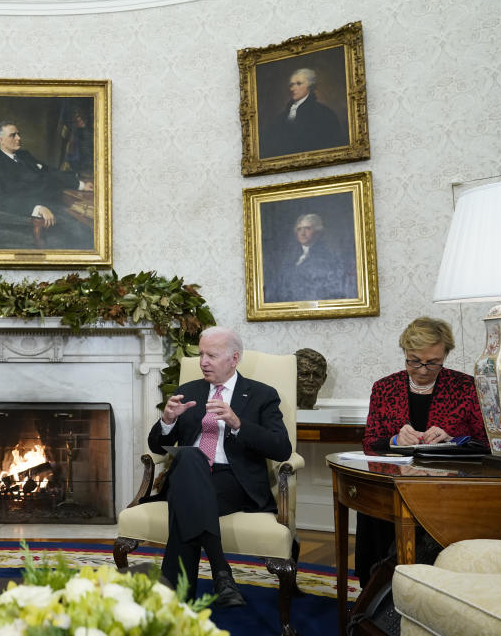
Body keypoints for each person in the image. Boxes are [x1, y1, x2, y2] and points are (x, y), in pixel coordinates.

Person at [147, 326, 292, 606]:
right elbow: (156, 446)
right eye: (201, 354)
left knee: (185, 498)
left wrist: (239, 424)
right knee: (189, 458)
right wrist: (167, 421)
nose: (202, 361)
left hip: (234, 480)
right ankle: (221, 572)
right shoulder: (187, 391)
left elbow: (281, 447)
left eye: (211, 355)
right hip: (191, 473)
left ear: (234, 358)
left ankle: (176, 603)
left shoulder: (262, 395)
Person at [356, 316, 489, 586]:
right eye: (414, 360)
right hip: (394, 480)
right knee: (373, 506)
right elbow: (370, 441)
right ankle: (378, 583)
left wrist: (455, 438)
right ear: (405, 353)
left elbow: (487, 441)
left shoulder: (466, 387)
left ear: (445, 355)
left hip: (447, 485)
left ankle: (434, 582)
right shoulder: (384, 387)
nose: (423, 369)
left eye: (433, 362)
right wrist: (394, 440)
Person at [0, 121, 94, 249]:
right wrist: (36, 208)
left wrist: (80, 185)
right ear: (1, 140)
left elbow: (49, 172)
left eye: (18, 134)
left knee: (89, 221)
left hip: (54, 202)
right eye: (13, 135)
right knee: (83, 231)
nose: (19, 138)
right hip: (32, 213)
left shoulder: (24, 155)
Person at [260, 67, 347, 159]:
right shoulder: (282, 117)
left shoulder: (324, 113)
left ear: (310, 86)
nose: (293, 89)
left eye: (298, 84)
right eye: (291, 85)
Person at [265, 213, 353, 303]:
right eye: (299, 229)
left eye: (308, 228)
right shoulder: (291, 258)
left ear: (318, 232)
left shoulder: (329, 258)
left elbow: (332, 289)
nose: (302, 233)